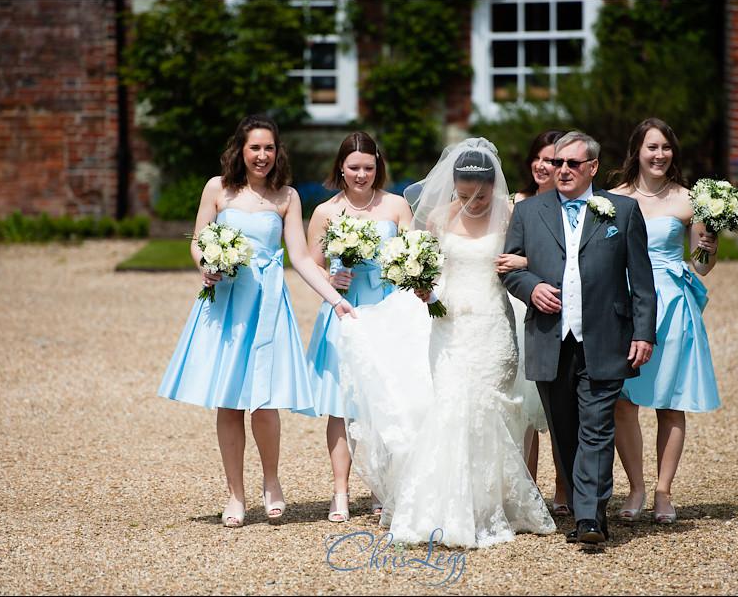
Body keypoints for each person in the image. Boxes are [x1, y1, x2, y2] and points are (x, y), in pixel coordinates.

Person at [338, 137, 556, 549]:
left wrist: (523, 261)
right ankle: (448, 508)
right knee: (453, 406)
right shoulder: (436, 217)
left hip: (493, 326)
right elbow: (425, 263)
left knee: (491, 409)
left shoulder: (511, 214)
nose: (474, 202)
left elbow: (544, 258)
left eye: (482, 194)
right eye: (464, 194)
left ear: (496, 187)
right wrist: (423, 285)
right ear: (452, 186)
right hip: (449, 327)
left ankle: (489, 505)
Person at [157, 114, 355, 528]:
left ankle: (271, 481)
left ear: (276, 151)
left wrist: (335, 298)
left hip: (267, 304)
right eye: (254, 148)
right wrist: (205, 264)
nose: (261, 156)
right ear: (240, 151)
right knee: (229, 401)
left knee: (264, 403)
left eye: (268, 148)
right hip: (225, 303)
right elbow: (197, 240)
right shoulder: (218, 188)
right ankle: (235, 495)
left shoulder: (287, 197)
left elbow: (300, 257)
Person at [500, 130, 657, 546]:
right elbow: (509, 270)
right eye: (557, 163)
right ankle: (583, 499)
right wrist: (531, 286)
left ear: (591, 168)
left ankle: (590, 517)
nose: (562, 170)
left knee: (597, 426)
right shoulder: (529, 213)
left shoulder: (621, 211)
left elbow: (641, 281)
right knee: (565, 431)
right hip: (550, 338)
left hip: (606, 336)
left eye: (572, 163)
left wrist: (644, 333)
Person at [608, 118, 720, 525]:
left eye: (666, 148)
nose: (659, 155)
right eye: (652, 147)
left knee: (670, 403)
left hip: (673, 304)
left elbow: (702, 267)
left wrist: (709, 246)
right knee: (623, 400)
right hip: (625, 304)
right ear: (637, 150)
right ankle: (635, 486)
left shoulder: (688, 201)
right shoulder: (612, 198)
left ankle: (663, 490)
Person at [304, 132, 413, 523]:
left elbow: (415, 255)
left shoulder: (397, 206)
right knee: (342, 405)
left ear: (377, 165)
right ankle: (340, 492)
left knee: (387, 400)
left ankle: (382, 487)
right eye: (354, 168)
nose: (361, 175)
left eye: (368, 167)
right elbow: (310, 262)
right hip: (344, 310)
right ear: (341, 168)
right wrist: (333, 279)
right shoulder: (325, 211)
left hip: (388, 309)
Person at [495, 129, 571, 516]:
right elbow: (503, 259)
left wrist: (528, 262)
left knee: (555, 409)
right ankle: (529, 489)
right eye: (539, 158)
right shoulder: (514, 204)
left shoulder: (571, 204)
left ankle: (564, 487)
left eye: (553, 160)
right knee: (525, 409)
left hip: (561, 306)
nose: (544, 166)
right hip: (520, 305)